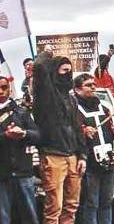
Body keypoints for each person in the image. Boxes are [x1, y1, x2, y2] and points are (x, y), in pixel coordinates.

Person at [32, 51, 87, 224]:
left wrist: (82, 155)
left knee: (71, 206)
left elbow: (77, 128)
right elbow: (40, 68)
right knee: (54, 208)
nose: (68, 74)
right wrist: (45, 54)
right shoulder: (45, 95)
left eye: (70, 71)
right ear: (55, 71)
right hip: (53, 155)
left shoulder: (71, 99)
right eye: (64, 70)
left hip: (73, 157)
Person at [74, 74, 114, 224]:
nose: (93, 87)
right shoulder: (74, 110)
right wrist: (82, 130)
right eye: (88, 85)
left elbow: (112, 132)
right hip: (89, 163)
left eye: (94, 84)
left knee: (107, 202)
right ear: (77, 89)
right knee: (91, 204)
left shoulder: (104, 108)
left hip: (108, 160)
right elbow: (71, 132)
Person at [0, 75, 40, 224]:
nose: (1, 92)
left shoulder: (22, 112)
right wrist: (6, 135)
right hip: (2, 174)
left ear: (9, 89)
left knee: (30, 215)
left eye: (4, 88)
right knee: (4, 217)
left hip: (24, 171)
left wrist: (24, 134)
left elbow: (38, 136)